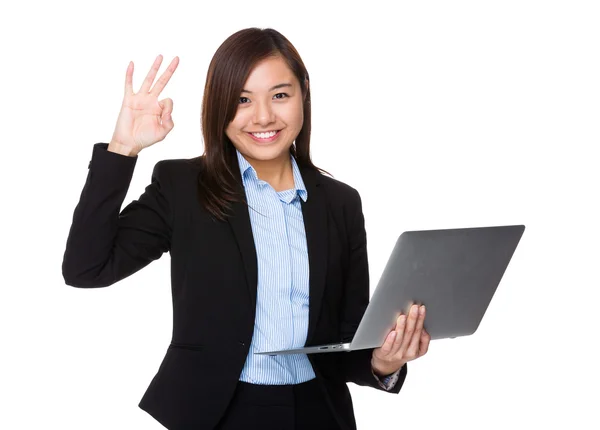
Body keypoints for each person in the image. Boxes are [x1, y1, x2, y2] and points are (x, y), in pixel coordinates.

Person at [62, 27, 431, 430]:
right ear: (219, 104)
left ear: (303, 93)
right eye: (242, 99)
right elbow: (86, 268)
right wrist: (122, 149)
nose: (263, 117)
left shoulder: (340, 203)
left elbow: (344, 340)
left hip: (318, 412)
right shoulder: (183, 188)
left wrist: (383, 361)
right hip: (219, 413)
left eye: (280, 95)